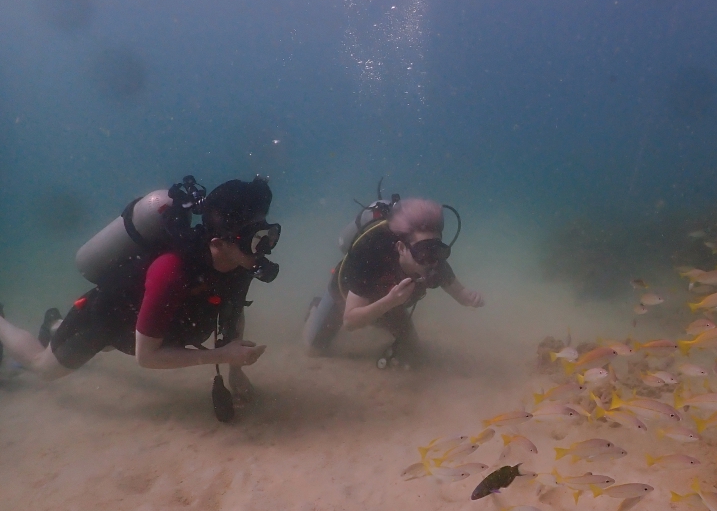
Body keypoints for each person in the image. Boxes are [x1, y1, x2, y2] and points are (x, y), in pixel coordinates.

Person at [0, 178, 280, 404]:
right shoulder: (171, 270)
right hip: (105, 320)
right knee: (43, 368)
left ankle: (54, 324)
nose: (265, 248)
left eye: (268, 236)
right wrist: (222, 356)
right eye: (256, 241)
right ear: (218, 242)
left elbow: (233, 311)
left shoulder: (240, 262)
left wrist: (236, 372)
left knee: (118, 343)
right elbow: (146, 358)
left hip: (150, 325)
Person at [302, 197, 484, 364]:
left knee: (414, 353)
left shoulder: (433, 261)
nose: (432, 260)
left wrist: (470, 298)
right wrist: (390, 301)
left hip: (391, 305)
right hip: (345, 300)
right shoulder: (369, 255)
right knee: (314, 349)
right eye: (424, 251)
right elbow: (350, 321)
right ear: (401, 247)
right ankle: (316, 307)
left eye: (438, 250)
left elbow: (460, 292)